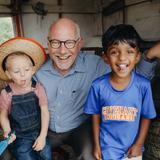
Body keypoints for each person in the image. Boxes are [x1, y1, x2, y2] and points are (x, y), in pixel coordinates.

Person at [35, 17, 160, 160]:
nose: (63, 51)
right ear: (48, 43)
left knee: (91, 156)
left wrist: (150, 55)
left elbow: (129, 74)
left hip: (79, 128)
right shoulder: (36, 69)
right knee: (26, 153)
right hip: (46, 130)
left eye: (69, 42)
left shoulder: (96, 64)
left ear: (79, 43)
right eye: (55, 42)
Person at [84, 24, 156, 160]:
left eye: (129, 51)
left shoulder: (143, 86)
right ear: (105, 57)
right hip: (107, 149)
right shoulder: (98, 86)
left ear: (137, 57)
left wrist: (138, 145)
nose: (122, 58)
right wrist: (97, 146)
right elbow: (95, 116)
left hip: (132, 150)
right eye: (114, 52)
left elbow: (147, 116)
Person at [0, 37, 52, 160]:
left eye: (27, 70)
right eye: (17, 71)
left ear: (33, 70)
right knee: (25, 156)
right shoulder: (6, 93)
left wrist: (43, 136)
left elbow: (44, 112)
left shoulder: (38, 88)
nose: (23, 74)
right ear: (8, 74)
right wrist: (7, 130)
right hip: (19, 136)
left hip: (38, 132)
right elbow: (3, 115)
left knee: (46, 154)